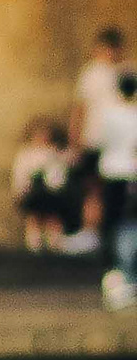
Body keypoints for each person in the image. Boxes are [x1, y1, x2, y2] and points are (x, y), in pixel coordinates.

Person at [68, 26, 128, 251]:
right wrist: (75, 141)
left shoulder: (127, 73)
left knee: (119, 192)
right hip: (94, 140)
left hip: (120, 145)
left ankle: (116, 237)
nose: (109, 53)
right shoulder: (91, 74)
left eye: (113, 48)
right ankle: (91, 233)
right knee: (94, 188)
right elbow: (80, 109)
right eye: (105, 49)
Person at [95, 71, 137, 308]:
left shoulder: (108, 113)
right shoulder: (133, 114)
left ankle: (112, 271)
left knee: (112, 222)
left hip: (111, 170)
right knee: (128, 223)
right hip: (130, 171)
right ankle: (124, 273)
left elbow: (101, 141)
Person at [10, 118, 73, 253]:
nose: (42, 137)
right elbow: (20, 174)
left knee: (53, 217)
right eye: (38, 134)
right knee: (34, 217)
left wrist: (60, 187)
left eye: (45, 134)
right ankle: (34, 244)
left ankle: (55, 243)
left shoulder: (55, 153)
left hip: (52, 191)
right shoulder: (26, 154)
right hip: (33, 191)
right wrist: (19, 191)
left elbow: (62, 170)